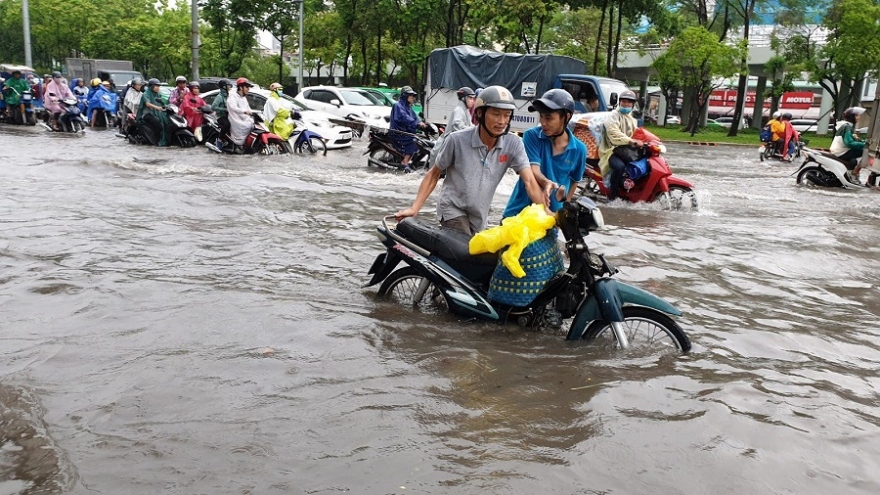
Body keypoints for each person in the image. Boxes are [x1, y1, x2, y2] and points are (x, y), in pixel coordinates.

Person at [394, 85, 548, 235]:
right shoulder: (456, 140)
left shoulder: (514, 144)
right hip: (452, 209)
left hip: (479, 217)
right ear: (480, 113)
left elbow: (529, 182)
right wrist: (414, 209)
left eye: (507, 115)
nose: (502, 121)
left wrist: (549, 214)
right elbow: (433, 174)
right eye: (496, 114)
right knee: (465, 248)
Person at [503, 89, 587, 218]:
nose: (543, 122)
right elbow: (533, 171)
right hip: (518, 215)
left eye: (549, 118)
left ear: (566, 117)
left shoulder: (579, 150)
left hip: (550, 219)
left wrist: (564, 209)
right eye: (541, 116)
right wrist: (546, 182)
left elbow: (574, 181)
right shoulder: (532, 136)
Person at [599, 89, 642, 200]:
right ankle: (612, 196)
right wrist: (630, 141)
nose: (626, 104)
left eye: (629, 102)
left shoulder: (632, 119)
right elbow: (614, 133)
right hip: (611, 150)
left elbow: (637, 133)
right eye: (624, 101)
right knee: (620, 167)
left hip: (625, 151)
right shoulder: (613, 116)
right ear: (619, 102)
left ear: (633, 105)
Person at [390, 85, 426, 169]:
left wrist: (422, 123)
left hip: (406, 132)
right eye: (411, 95)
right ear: (405, 95)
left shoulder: (408, 107)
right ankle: (405, 162)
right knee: (414, 141)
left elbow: (415, 117)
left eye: (413, 95)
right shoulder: (397, 106)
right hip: (398, 133)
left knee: (422, 140)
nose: (413, 97)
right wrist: (417, 123)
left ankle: (412, 161)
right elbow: (404, 117)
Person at [829, 107, 866, 184]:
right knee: (865, 152)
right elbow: (849, 143)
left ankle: (850, 173)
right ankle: (854, 173)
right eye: (857, 115)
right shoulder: (847, 127)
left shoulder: (847, 126)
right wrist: (864, 144)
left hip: (840, 150)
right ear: (852, 117)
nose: (859, 117)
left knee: (853, 161)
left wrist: (863, 142)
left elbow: (854, 140)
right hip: (841, 152)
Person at [137, 78, 169, 146]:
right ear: (151, 86)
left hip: (157, 113)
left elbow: (163, 101)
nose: (158, 88)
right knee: (157, 124)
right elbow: (147, 104)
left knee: (167, 121)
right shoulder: (146, 94)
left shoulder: (158, 94)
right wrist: (156, 107)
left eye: (158, 86)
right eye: (156, 86)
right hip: (147, 114)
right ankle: (157, 140)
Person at [227, 77, 255, 152]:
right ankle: (238, 145)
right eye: (247, 87)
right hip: (236, 119)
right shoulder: (233, 96)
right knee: (247, 126)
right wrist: (244, 111)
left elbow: (248, 108)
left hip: (244, 118)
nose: (248, 89)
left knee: (252, 124)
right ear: (240, 87)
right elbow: (233, 107)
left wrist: (253, 112)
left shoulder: (243, 98)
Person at [211, 79, 232, 143]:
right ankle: (220, 138)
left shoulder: (229, 96)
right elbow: (213, 107)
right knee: (227, 124)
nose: (230, 87)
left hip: (228, 116)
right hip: (221, 117)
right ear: (224, 87)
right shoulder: (219, 97)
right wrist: (224, 109)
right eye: (228, 86)